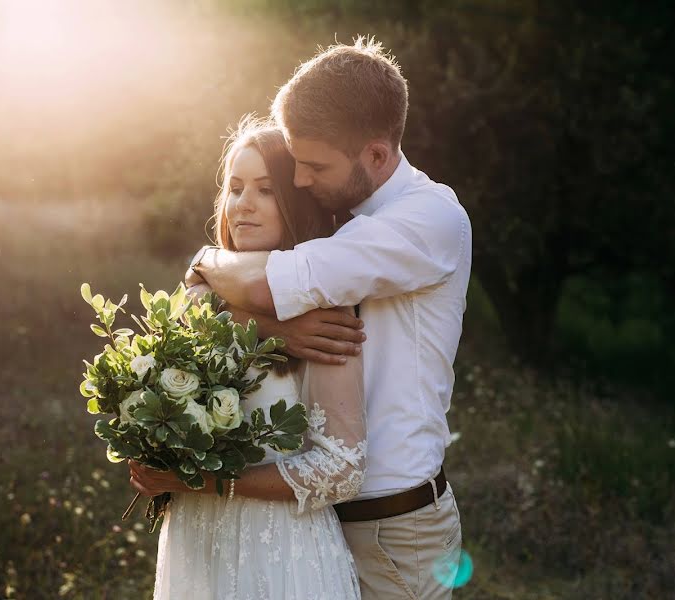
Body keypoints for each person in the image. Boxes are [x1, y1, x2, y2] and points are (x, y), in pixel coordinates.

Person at [184, 37, 472, 599]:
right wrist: (263, 323)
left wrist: (206, 264)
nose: (300, 181)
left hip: (393, 526)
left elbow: (282, 279)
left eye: (313, 166)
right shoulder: (342, 215)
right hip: (317, 524)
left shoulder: (426, 220)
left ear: (376, 156)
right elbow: (212, 296)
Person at [128, 119, 366, 600]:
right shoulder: (198, 294)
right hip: (196, 540)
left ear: (296, 203)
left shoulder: (323, 311)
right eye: (235, 189)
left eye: (265, 190)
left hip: (277, 551)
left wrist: (211, 482)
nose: (244, 204)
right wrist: (152, 450)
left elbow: (342, 469)